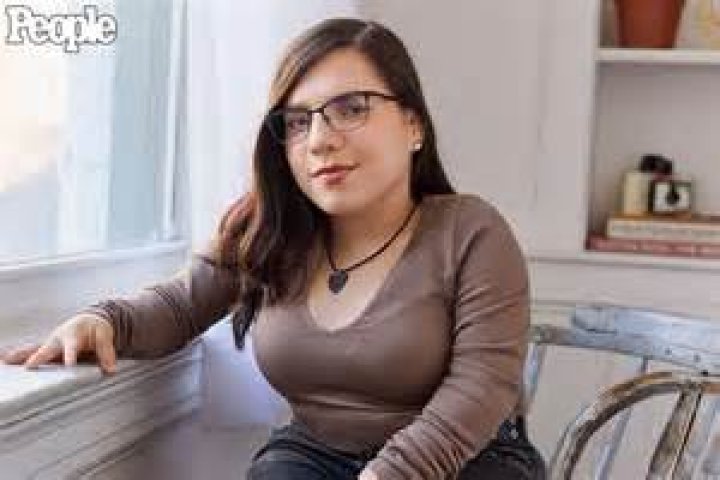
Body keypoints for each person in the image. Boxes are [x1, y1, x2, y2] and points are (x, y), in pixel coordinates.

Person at [1, 18, 546, 480]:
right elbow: (180, 305)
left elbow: (482, 387)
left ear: (413, 125)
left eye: (351, 108)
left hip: (468, 459)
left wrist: (390, 473)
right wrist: (105, 321)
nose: (320, 140)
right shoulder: (269, 230)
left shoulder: (471, 231)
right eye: (298, 122)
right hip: (315, 455)